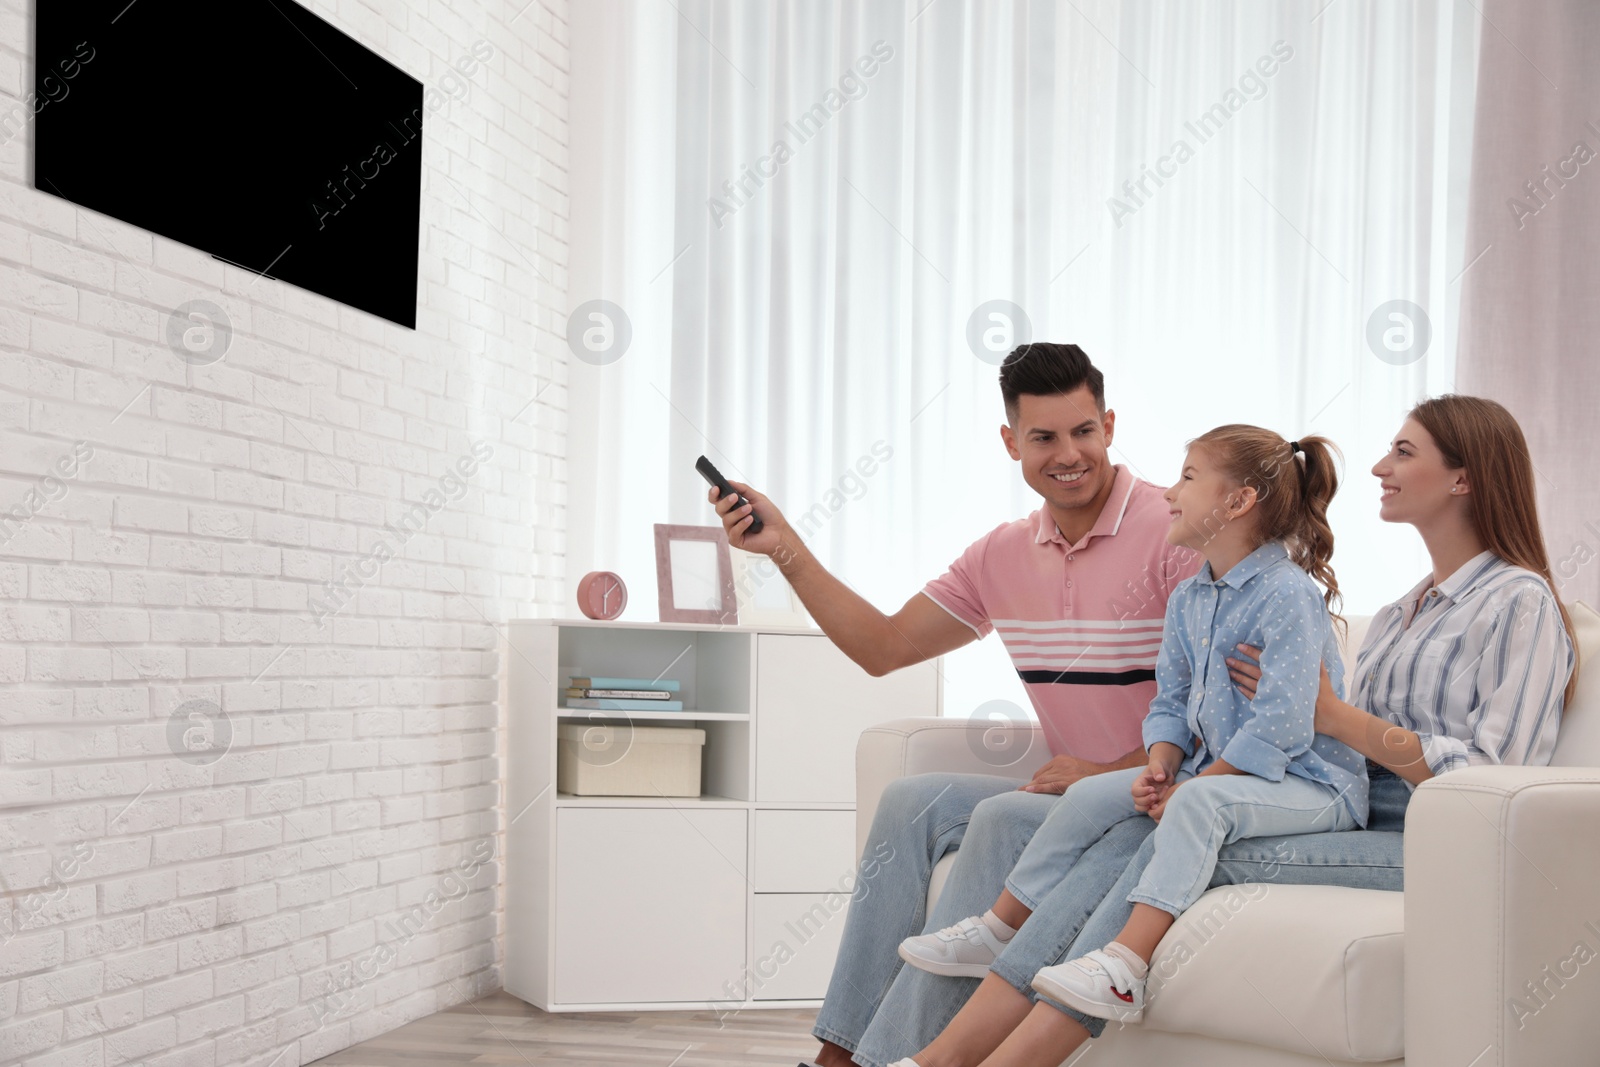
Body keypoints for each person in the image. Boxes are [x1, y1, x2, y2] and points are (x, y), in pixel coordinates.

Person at [874, 394, 1576, 1067]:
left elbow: (1489, 779)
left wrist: (1333, 718)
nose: (1377, 467)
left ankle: (971, 1055)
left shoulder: (1519, 602)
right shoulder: (1398, 613)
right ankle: (945, 1055)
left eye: (1402, 451)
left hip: (1431, 842)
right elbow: (1228, 707)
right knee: (1123, 832)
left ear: (1463, 477)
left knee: (1140, 851)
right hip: (1339, 821)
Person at [706, 343, 1200, 1067]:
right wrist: (786, 549)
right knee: (911, 800)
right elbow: (883, 644)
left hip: (1154, 792)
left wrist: (1104, 768)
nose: (1069, 454)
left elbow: (1220, 708)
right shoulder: (1000, 554)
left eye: (1083, 431)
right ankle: (837, 1057)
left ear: (1110, 425)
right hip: (1077, 792)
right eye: (1044, 437)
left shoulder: (1174, 529)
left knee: (1002, 817)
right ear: (1011, 443)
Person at [896, 425, 1366, 1030]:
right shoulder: (1192, 596)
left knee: (1201, 806)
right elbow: (1169, 701)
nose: (1170, 493)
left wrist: (1195, 786)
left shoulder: (1286, 595)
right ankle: (998, 928)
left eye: (1189, 478)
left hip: (1308, 783)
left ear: (1239, 501)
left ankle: (1124, 966)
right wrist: (1162, 764)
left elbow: (1281, 726)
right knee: (1092, 794)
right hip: (1216, 773)